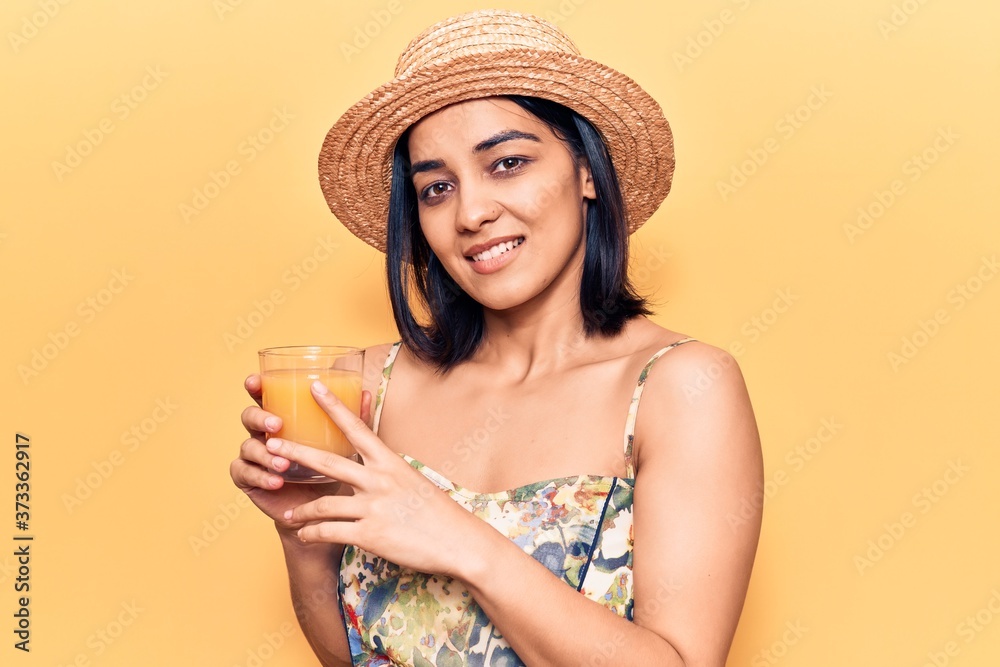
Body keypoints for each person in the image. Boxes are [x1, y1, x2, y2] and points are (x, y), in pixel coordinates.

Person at [232, 9, 763, 667]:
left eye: (507, 162)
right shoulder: (364, 387)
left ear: (588, 172)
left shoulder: (682, 387)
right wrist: (302, 535)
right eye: (437, 187)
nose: (472, 212)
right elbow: (353, 656)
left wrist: (458, 539)